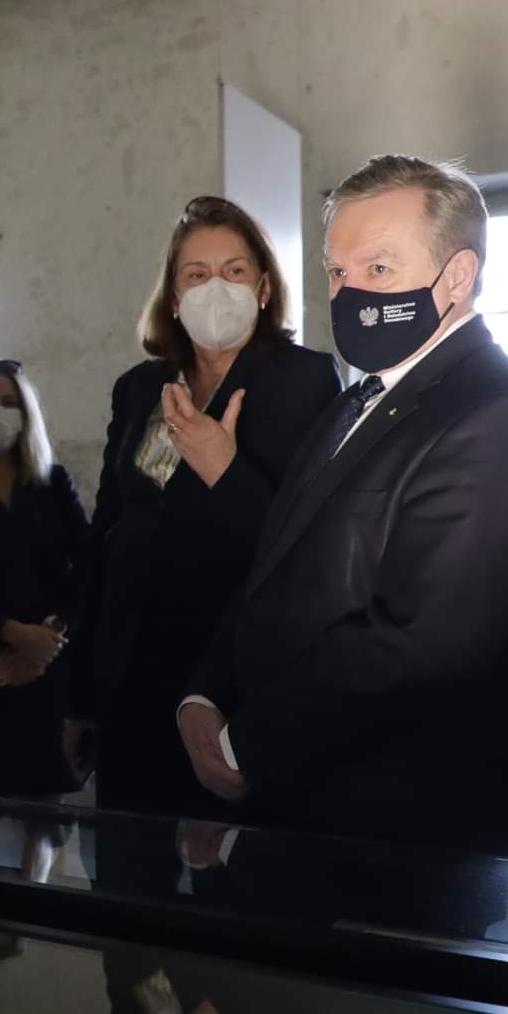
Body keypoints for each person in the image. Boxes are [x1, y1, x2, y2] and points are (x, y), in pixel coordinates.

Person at [180, 155, 508, 857]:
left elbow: (421, 646)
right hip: (302, 809)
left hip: (406, 833)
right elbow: (279, 563)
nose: (351, 292)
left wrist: (244, 743)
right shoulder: (357, 397)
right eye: (338, 272)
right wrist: (207, 694)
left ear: (457, 276)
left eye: (379, 269)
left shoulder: (499, 412)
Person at [77, 197, 340, 819]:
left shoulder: (304, 381)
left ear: (264, 288)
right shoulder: (140, 387)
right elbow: (106, 530)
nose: (215, 288)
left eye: (234, 271)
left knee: (229, 858)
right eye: (196, 274)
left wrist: (223, 467)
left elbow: (304, 548)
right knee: (129, 858)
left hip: (231, 680)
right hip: (133, 673)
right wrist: (79, 694)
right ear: (173, 297)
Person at [0, 358, 89, 881]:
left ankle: (33, 901)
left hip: (45, 668)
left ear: (26, 413)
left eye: (8, 402)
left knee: (44, 817)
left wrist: (50, 635)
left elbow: (88, 566)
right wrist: (9, 633)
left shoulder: (50, 481)